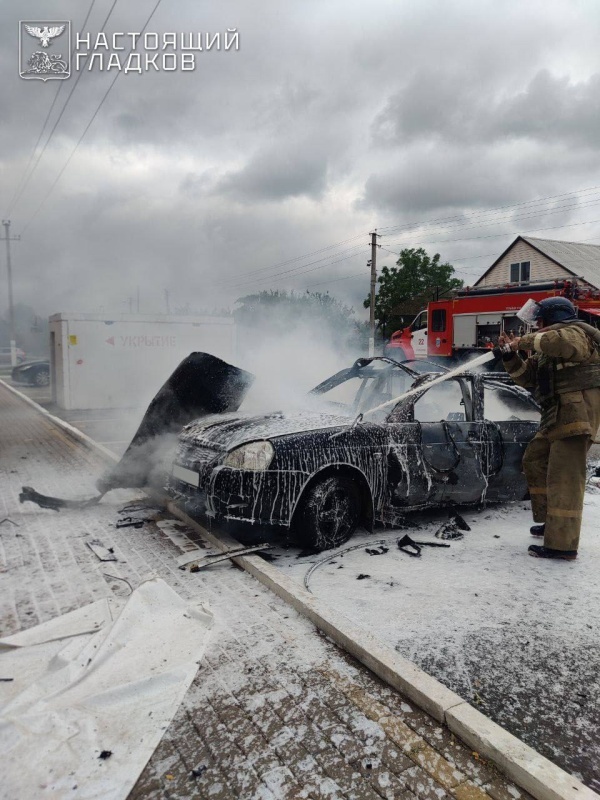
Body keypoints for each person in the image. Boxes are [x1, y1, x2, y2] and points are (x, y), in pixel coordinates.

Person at [498, 296, 600, 560]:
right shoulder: (547, 349)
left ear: (554, 318)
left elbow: (564, 344)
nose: (537, 326)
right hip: (558, 416)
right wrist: (510, 357)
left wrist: (522, 341)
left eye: (540, 320)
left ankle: (562, 546)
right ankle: (551, 524)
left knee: (564, 479)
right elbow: (527, 378)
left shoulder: (574, 333)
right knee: (535, 460)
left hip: (577, 417)